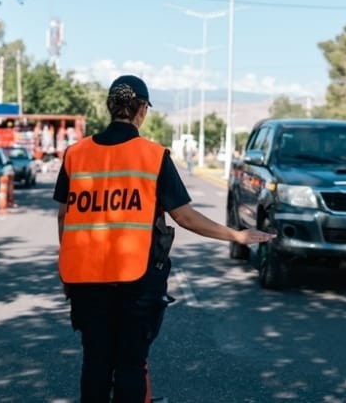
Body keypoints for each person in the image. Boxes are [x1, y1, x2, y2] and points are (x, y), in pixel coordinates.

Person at [53, 75, 274, 403]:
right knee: (130, 365)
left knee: (96, 363)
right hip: (136, 280)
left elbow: (64, 217)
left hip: (86, 281)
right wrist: (236, 235)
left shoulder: (76, 154)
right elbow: (184, 216)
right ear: (142, 110)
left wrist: (69, 267)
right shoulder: (153, 156)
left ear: (109, 106)